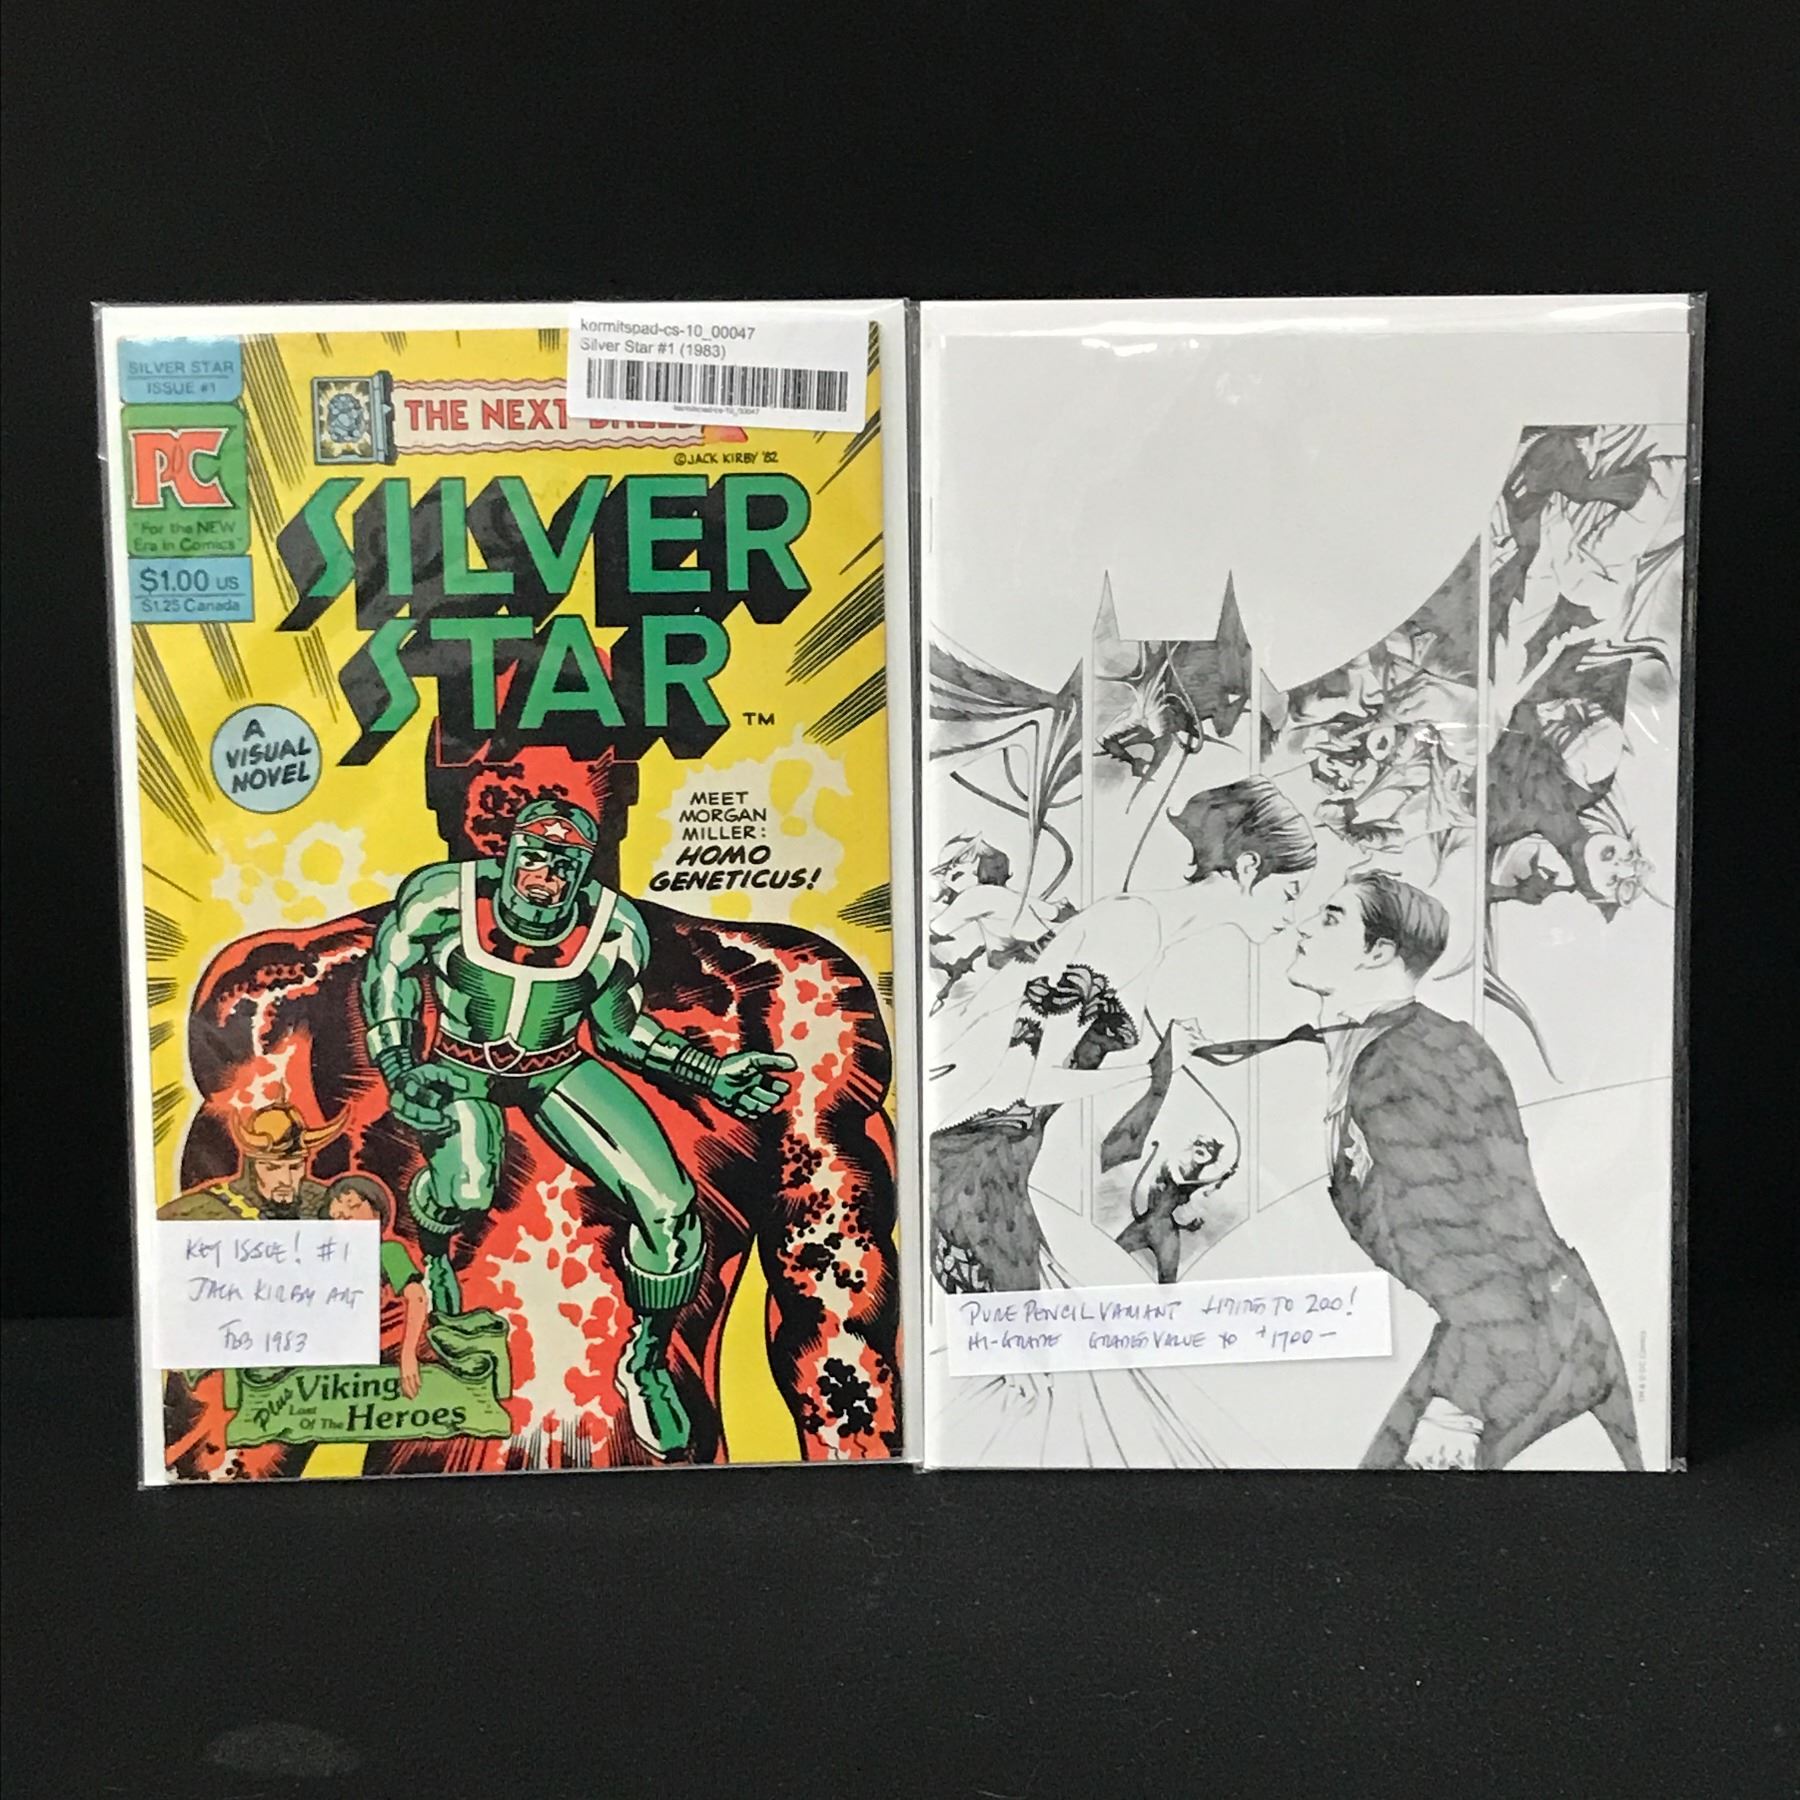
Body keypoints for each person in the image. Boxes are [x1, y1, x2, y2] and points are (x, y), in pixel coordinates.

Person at [361, 794, 796, 1459]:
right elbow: (388, 970)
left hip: (553, 1068)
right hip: (458, 1066)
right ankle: (437, 1254)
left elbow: (622, 1032)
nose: (547, 877)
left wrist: (711, 1074)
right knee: (467, 1186)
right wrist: (399, 1066)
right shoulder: (443, 898)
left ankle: (645, 1361)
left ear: (585, 870)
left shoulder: (612, 928)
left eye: (565, 864)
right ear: (508, 852)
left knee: (669, 1206)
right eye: (535, 857)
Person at [928, 777, 1316, 1467]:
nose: (1293, 916)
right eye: (1290, 894)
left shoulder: (1147, 932)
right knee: (1026, 1398)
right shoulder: (1131, 928)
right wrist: (1152, 1072)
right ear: (1249, 867)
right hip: (974, 1169)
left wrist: (1158, 1065)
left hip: (1000, 1169)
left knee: (1050, 1396)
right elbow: (1018, 1081)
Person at [1286, 870, 1642, 1470]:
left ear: (1379, 952)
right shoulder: (1408, 1044)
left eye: (1329, 918)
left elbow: (1485, 1244)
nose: (1302, 929)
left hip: (1516, 1341)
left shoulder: (1405, 1067)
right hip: (1522, 1325)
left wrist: (1459, 1408)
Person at [158, 1096, 348, 1221]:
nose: (286, 1180)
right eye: (272, 1168)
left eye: (295, 1167)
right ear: (252, 1167)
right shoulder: (206, 1207)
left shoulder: (326, 1201)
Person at [326, 1175, 430, 1400]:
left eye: (354, 1206)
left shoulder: (388, 1251)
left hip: (377, 1348)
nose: (347, 1218)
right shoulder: (329, 1258)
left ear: (377, 1211)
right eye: (338, 1217)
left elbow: (417, 1297)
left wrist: (408, 1356)